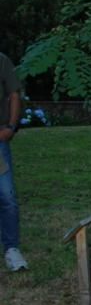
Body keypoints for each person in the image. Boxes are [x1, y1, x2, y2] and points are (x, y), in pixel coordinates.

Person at [0, 52, 27, 272]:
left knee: (6, 195)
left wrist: (10, 127)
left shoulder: (1, 60)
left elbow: (14, 94)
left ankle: (12, 249)